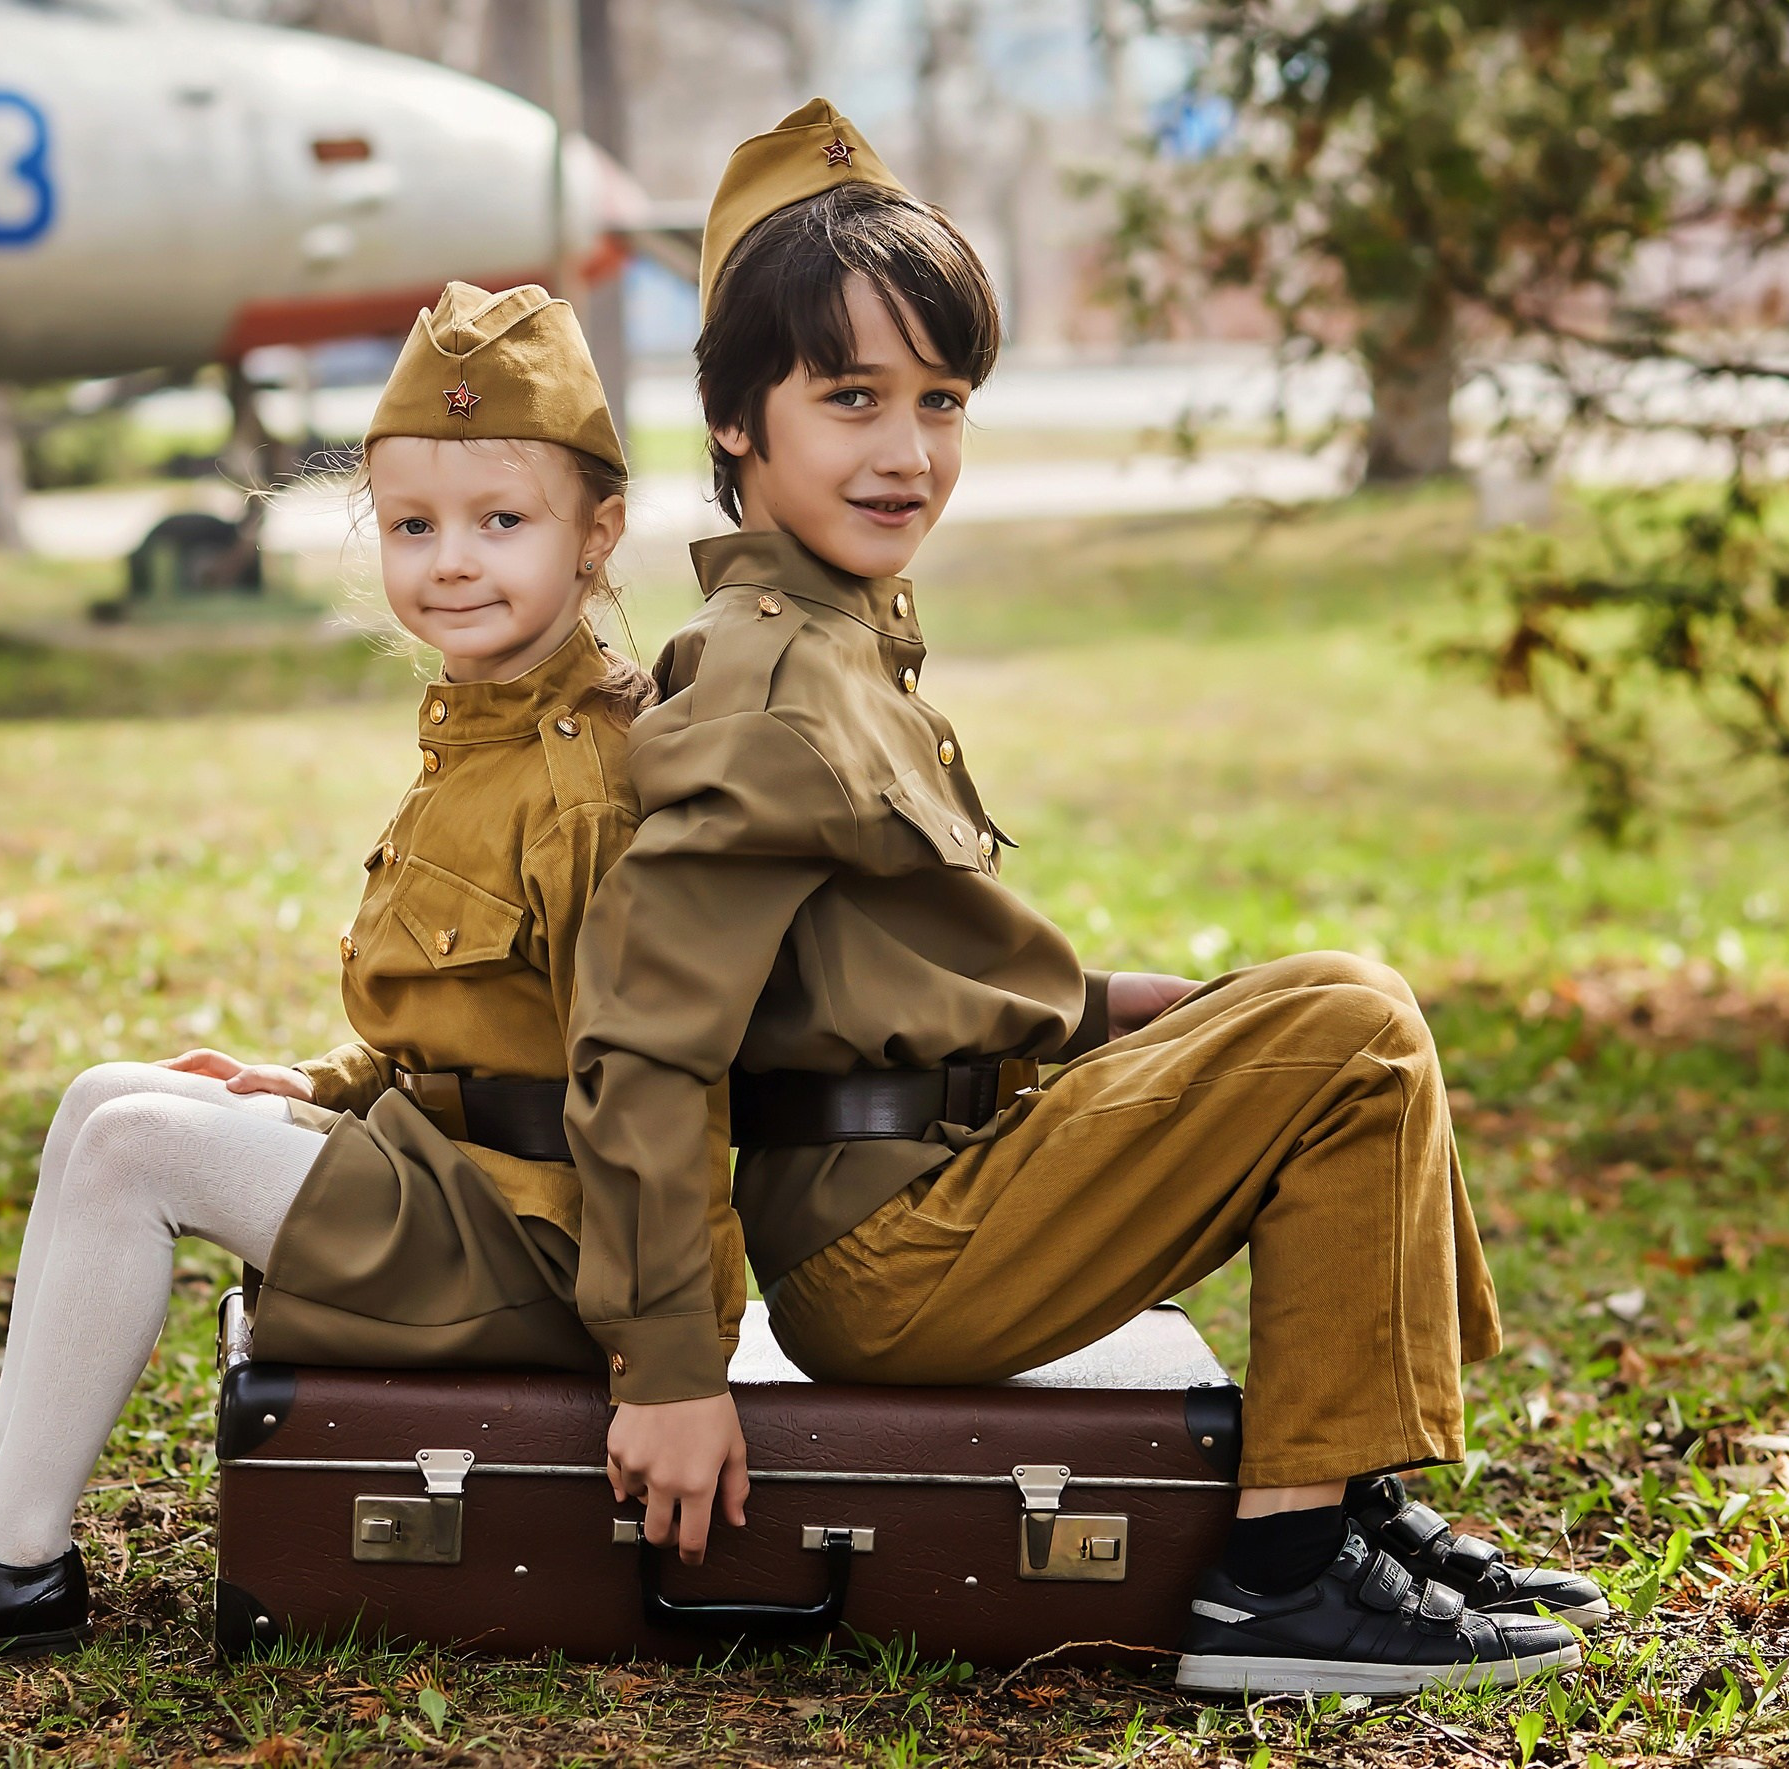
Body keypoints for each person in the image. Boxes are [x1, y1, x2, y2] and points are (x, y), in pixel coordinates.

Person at [562, 101, 1605, 1695]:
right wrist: (668, 1368)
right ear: (734, 422)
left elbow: (877, 969)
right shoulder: (774, 685)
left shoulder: (841, 638)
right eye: (849, 399)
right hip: (892, 1253)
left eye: (941, 400)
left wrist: (1123, 1012)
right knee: (1348, 1018)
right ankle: (1279, 1579)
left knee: (1317, 1012)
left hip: (955, 1171)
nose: (907, 452)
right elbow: (646, 1039)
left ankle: (1344, 1505)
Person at [0, 282, 744, 1654]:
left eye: (499, 522)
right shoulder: (480, 725)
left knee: (137, 1155)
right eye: (413, 525)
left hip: (544, 1249)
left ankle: (17, 1572)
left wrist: (672, 1363)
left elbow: (650, 1083)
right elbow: (478, 1019)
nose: (450, 561)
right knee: (107, 1097)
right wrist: (324, 1082)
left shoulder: (586, 781)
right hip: (450, 1181)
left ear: (598, 536)